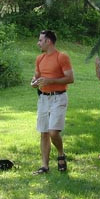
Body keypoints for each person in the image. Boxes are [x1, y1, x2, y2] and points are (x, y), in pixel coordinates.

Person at [31, 30, 74, 175]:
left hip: (58, 97)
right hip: (43, 98)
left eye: (40, 40)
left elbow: (70, 78)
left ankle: (61, 153)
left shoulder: (62, 57)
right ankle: (44, 166)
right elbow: (36, 76)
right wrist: (34, 82)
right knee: (44, 132)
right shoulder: (40, 59)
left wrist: (51, 81)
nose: (38, 43)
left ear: (48, 41)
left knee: (53, 132)